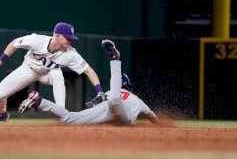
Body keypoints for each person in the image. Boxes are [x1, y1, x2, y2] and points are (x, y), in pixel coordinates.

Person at [0, 22, 104, 126]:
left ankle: (61, 113)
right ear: (57, 35)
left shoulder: (70, 54)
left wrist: (99, 90)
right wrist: (0, 60)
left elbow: (89, 70)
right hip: (28, 69)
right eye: (68, 37)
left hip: (49, 73)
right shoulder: (37, 40)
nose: (70, 40)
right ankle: (1, 114)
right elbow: (14, 43)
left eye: (71, 38)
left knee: (58, 75)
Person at [18, 40, 159, 125]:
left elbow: (102, 100)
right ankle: (115, 59)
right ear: (128, 86)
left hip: (108, 107)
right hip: (119, 114)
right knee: (114, 99)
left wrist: (98, 101)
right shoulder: (137, 99)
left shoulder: (112, 93)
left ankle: (41, 102)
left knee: (69, 118)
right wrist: (159, 125)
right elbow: (152, 115)